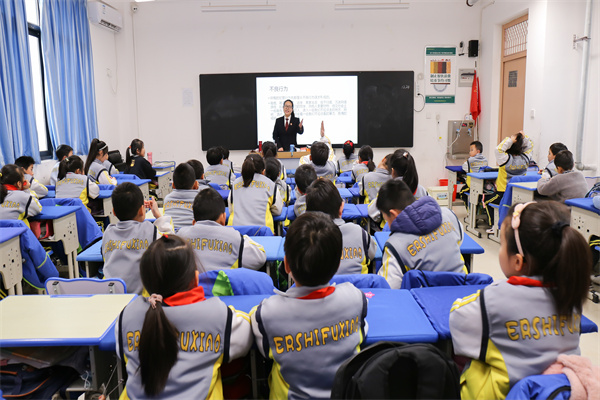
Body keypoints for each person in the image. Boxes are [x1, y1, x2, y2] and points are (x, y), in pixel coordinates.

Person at [450, 201, 591, 399]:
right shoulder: (571, 294)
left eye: (502, 244)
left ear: (517, 261)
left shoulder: (494, 299)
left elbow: (457, 319)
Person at [116, 235, 253, 399]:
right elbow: (246, 337)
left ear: (145, 283)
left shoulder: (127, 316)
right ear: (196, 279)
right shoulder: (218, 315)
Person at [250, 212, 368, 399]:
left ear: (286, 265)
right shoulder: (356, 298)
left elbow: (264, 349)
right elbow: (363, 331)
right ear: (338, 264)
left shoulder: (267, 313)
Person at [376, 179, 465, 289]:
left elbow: (389, 288)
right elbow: (459, 240)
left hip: (426, 298)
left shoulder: (395, 246)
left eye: (386, 219)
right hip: (463, 291)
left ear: (393, 214)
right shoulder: (449, 215)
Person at [103, 182, 172, 294]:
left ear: (114, 212)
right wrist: (158, 215)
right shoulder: (149, 230)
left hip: (112, 297)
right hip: (140, 299)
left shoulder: (108, 233)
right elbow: (172, 243)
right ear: (141, 210)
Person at [178, 187, 266, 272]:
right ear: (223, 218)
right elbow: (260, 258)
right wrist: (241, 236)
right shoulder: (235, 238)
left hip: (191, 282)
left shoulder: (181, 236)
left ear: (194, 222)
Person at [306, 178, 376, 274]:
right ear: (341, 207)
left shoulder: (305, 239)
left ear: (309, 213)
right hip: (357, 284)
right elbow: (372, 253)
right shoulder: (359, 233)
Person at [483, 131, 533, 225]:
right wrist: (524, 138)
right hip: (520, 193)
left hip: (503, 193)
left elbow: (498, 149)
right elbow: (530, 146)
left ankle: (493, 226)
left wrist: (510, 140)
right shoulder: (525, 158)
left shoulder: (505, 159)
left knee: (486, 201)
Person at [228, 154, 283, 233]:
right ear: (263, 171)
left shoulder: (235, 184)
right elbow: (277, 210)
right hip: (262, 233)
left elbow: (231, 209)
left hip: (236, 232)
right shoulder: (270, 185)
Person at [163, 163, 199, 229]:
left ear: (173, 185)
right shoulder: (200, 198)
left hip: (170, 234)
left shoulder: (167, 198)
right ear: (195, 184)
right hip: (191, 233)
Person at [459, 141, 489, 206]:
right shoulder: (485, 159)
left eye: (472, 150)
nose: (470, 152)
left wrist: (465, 162)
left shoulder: (470, 160)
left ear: (478, 151)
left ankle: (469, 210)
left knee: (462, 192)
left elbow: (465, 168)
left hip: (472, 185)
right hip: (484, 186)